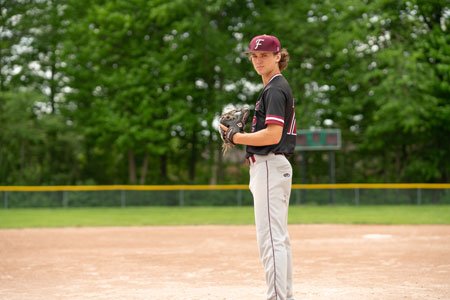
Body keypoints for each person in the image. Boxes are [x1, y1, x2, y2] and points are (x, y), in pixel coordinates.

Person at [221, 34, 297, 300]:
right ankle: (283, 295)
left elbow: (272, 136)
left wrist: (236, 137)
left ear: (278, 56)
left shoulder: (275, 88)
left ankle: (277, 297)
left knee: (271, 240)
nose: (258, 60)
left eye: (264, 55)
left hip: (269, 165)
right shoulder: (274, 88)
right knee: (279, 238)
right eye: (254, 55)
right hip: (273, 167)